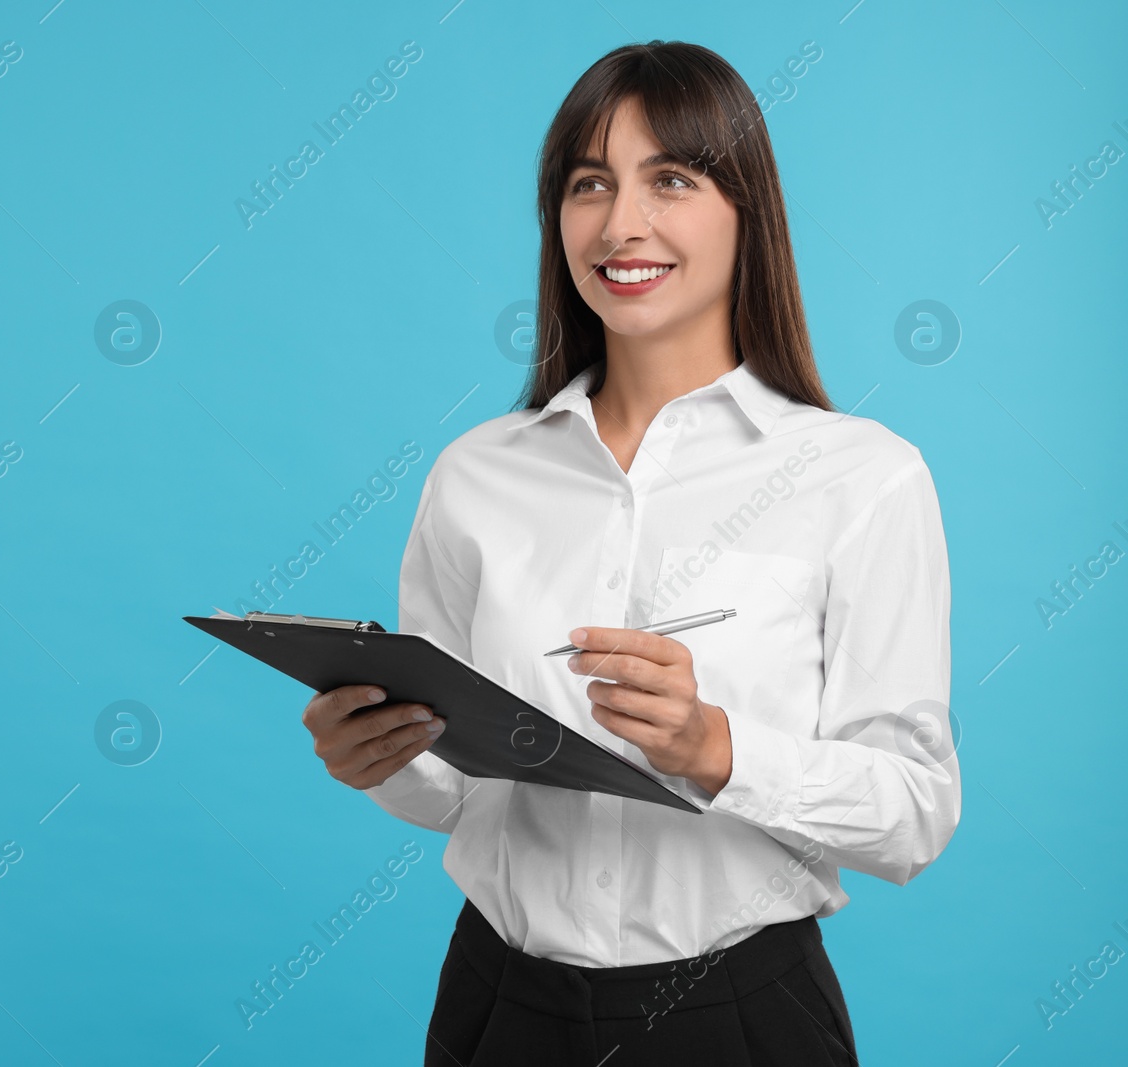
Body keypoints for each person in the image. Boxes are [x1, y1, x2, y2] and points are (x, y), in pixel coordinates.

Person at [299, 40, 960, 1066]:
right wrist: (380, 758)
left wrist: (717, 748)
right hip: (498, 1006)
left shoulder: (861, 477)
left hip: (740, 1016)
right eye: (588, 184)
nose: (620, 225)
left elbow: (914, 813)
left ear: (747, 210)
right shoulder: (476, 474)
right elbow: (459, 791)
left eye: (671, 180)